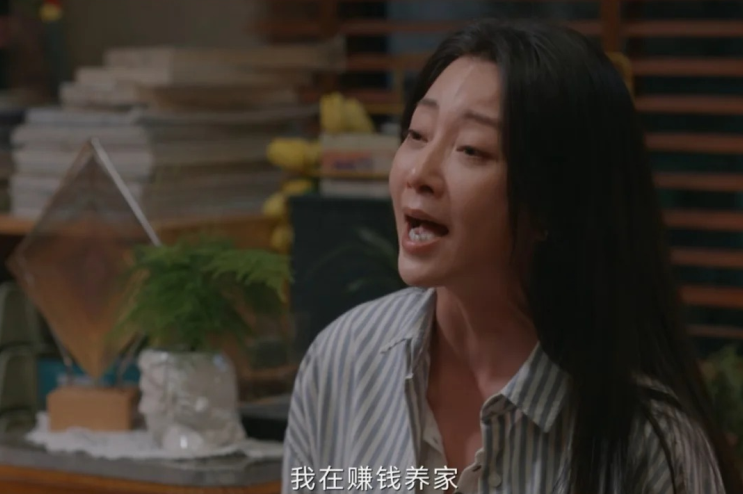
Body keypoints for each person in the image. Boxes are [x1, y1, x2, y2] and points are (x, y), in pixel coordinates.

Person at [282, 19, 743, 494]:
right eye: (416, 134)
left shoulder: (651, 446)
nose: (418, 173)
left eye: (471, 149)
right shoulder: (341, 359)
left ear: (551, 202)